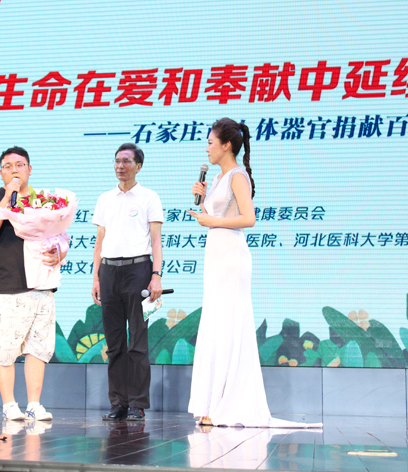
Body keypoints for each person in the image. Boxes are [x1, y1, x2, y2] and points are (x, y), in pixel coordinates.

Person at [187, 118, 321, 428]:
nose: (207, 148)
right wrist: (203, 204)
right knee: (216, 324)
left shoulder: (238, 176)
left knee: (229, 324)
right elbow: (217, 217)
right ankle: (213, 403)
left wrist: (212, 220)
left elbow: (249, 218)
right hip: (216, 255)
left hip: (232, 258)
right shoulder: (218, 178)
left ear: (226, 145)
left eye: (210, 143)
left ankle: (227, 404)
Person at [0, 146, 65, 422]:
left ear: (30, 169)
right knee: (6, 348)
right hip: (7, 287)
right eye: (8, 166)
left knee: (38, 348)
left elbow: (60, 236)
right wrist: (7, 197)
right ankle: (9, 405)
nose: (14, 170)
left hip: (41, 285)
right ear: (1, 172)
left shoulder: (44, 201)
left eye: (19, 165)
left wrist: (59, 252)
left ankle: (34, 404)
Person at [92, 143, 163, 421]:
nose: (120, 166)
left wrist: (156, 275)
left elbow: (156, 241)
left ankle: (137, 403)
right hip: (109, 272)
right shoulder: (105, 198)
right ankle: (118, 403)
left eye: (126, 161)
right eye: (117, 161)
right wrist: (96, 276)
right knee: (114, 343)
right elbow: (99, 242)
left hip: (138, 270)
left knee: (137, 342)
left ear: (138, 166)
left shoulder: (149, 197)